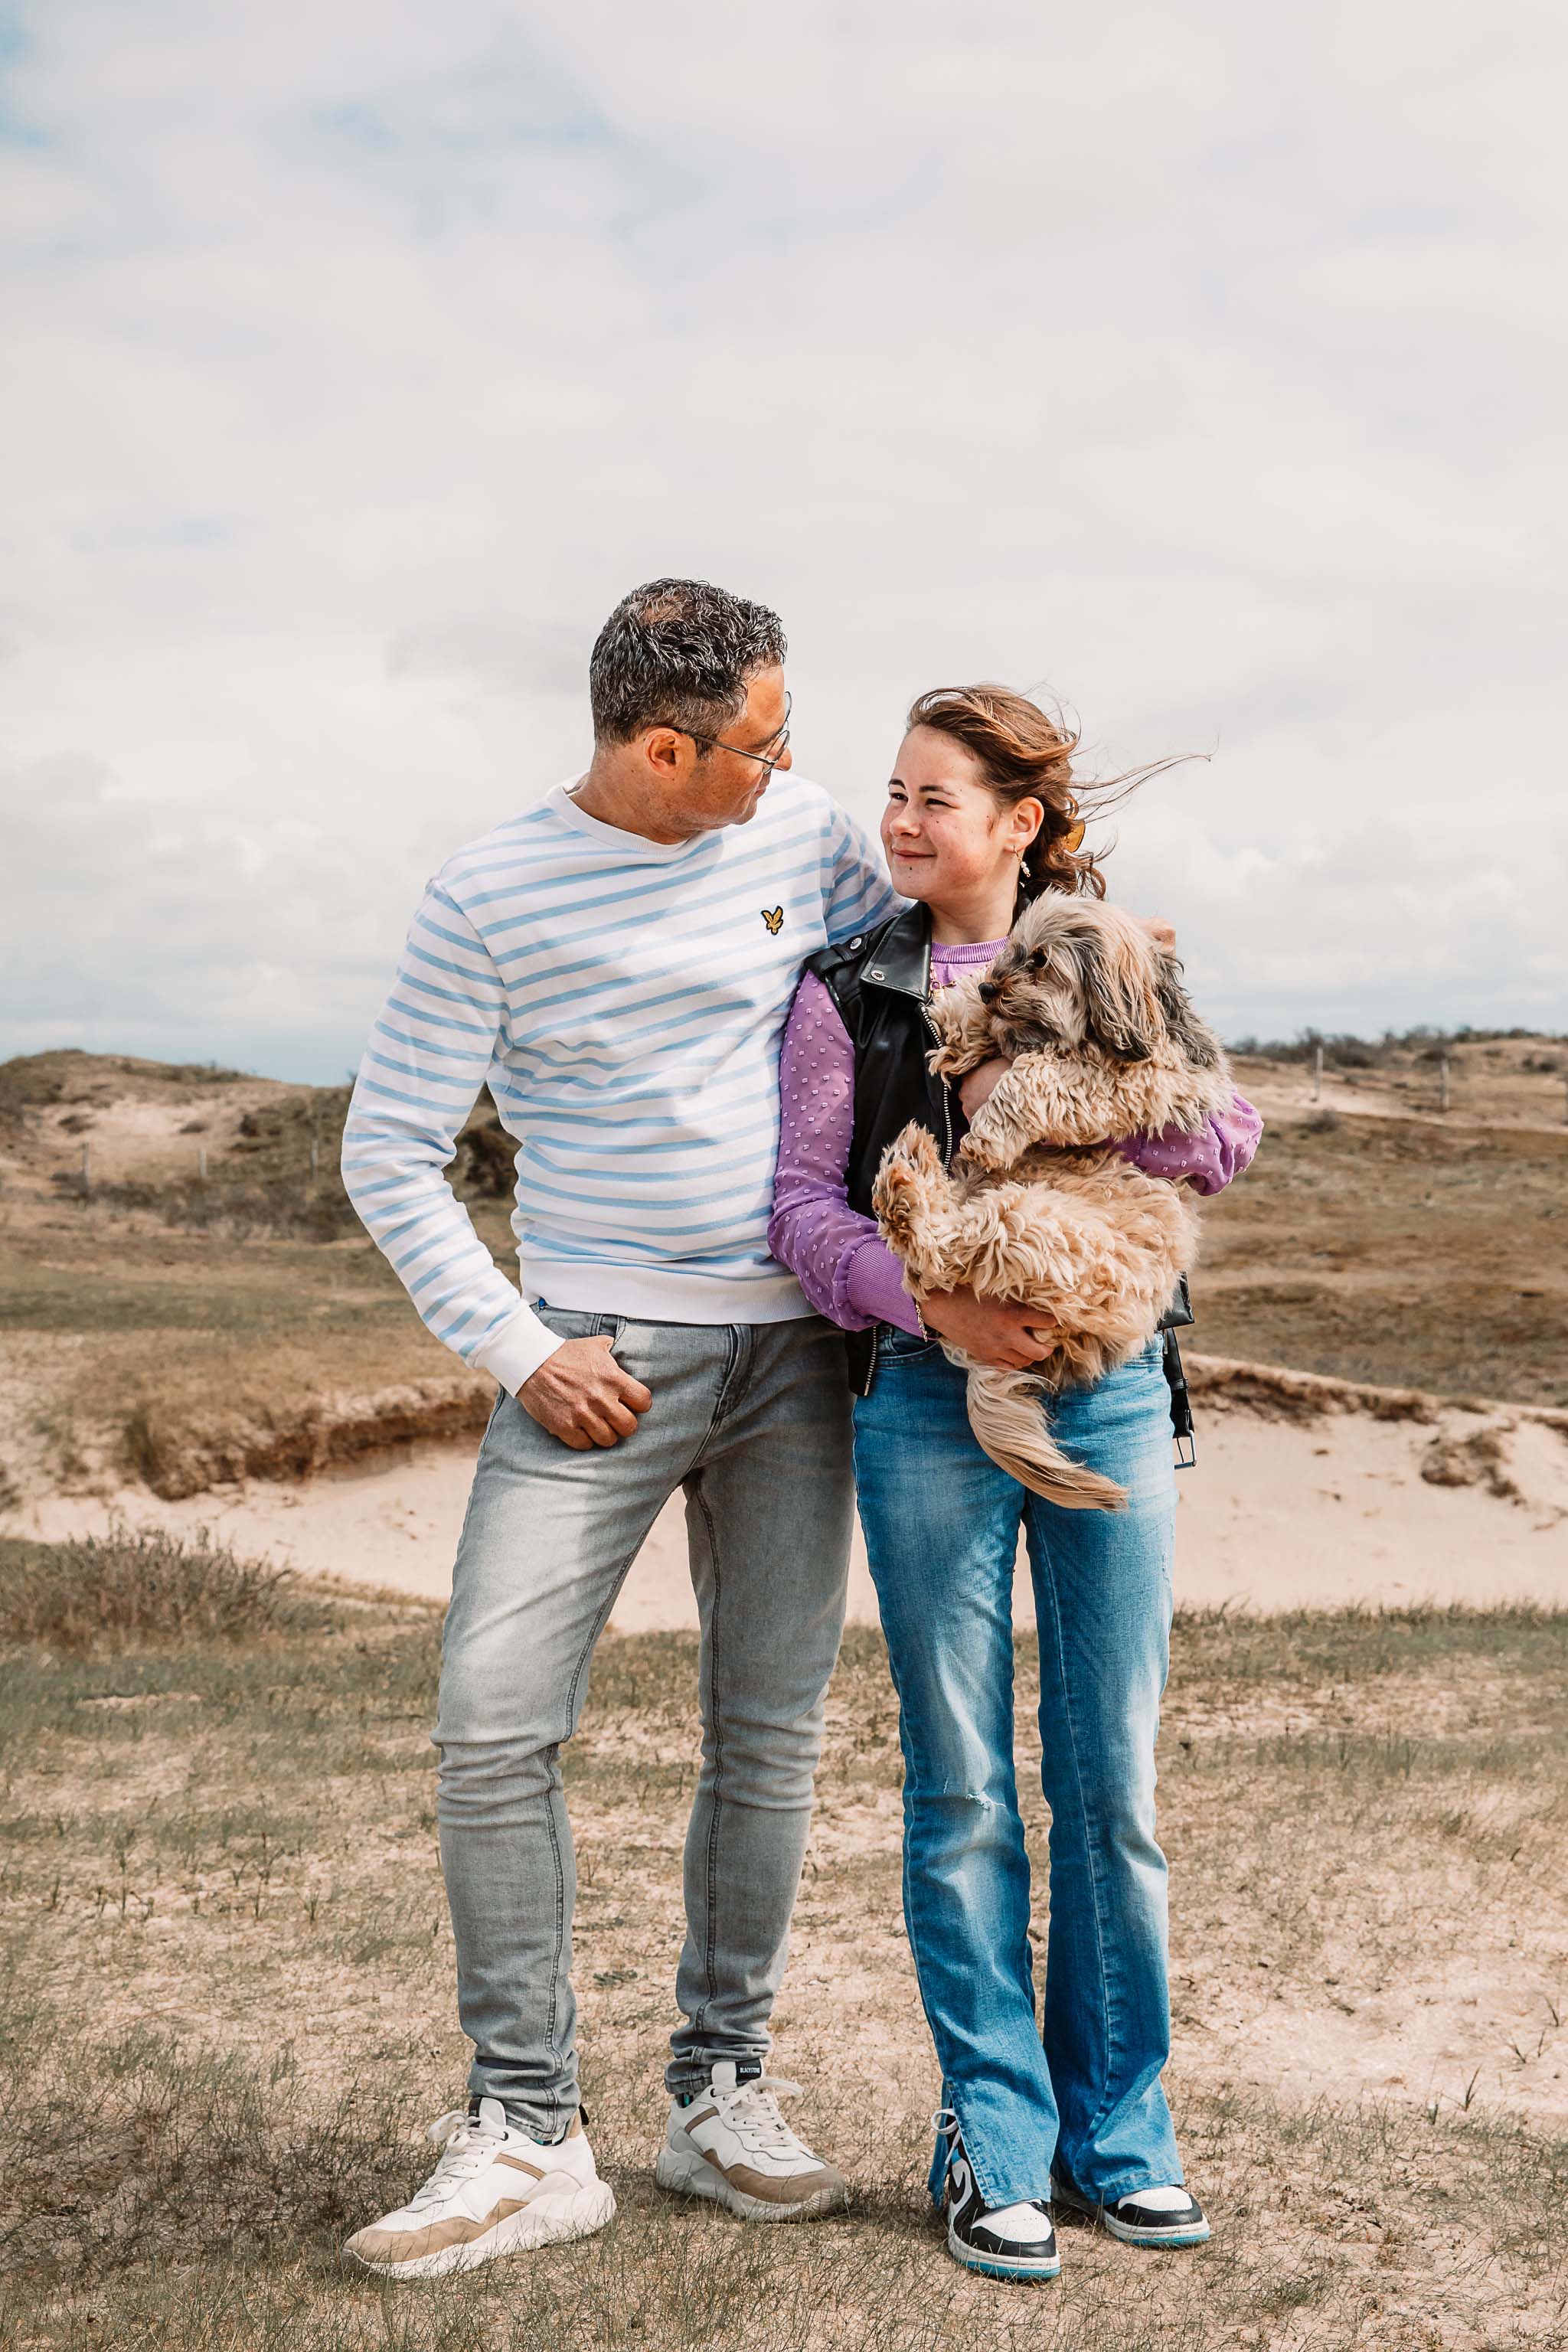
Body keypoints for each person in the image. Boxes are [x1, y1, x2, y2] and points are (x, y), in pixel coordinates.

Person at [337, 579, 901, 2279]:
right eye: (759, 740)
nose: (796, 766)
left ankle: (719, 2095)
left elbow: (936, 943)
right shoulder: (489, 894)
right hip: (601, 1364)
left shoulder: (797, 832)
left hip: (799, 1359)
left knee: (770, 1732)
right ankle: (527, 2128)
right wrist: (519, 1348)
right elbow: (389, 1152)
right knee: (491, 1725)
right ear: (665, 748)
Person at [768, 684, 1261, 2283]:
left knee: (1108, 1785)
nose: (899, 822)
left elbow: (1223, 1135)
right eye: (891, 794)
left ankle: (1123, 2134)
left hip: (1111, 1396)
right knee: (963, 1782)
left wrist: (1064, 1104)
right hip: (925, 1401)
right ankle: (995, 2134)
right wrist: (932, 1304)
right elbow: (799, 1210)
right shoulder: (847, 991)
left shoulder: (1121, 959)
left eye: (933, 798)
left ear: (1020, 824)